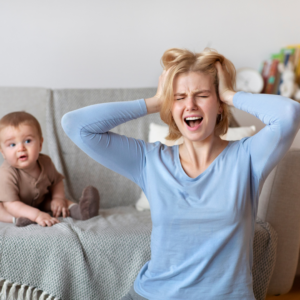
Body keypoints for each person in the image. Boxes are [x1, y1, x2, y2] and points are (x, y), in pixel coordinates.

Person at [61, 48, 300, 299]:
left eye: (202, 95)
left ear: (219, 105)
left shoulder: (248, 157)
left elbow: (289, 114)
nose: (190, 105)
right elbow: (75, 125)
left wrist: (230, 94)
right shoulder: (149, 161)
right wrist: (155, 101)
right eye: (179, 97)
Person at [0, 111, 100, 227]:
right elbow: (11, 204)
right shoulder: (6, 173)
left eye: (28, 141)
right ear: (3, 153)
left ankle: (83, 212)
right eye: (12, 145)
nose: (21, 148)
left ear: (40, 144)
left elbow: (56, 181)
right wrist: (37, 215)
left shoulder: (46, 162)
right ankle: (16, 219)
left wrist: (58, 198)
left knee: (61, 203)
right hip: (12, 206)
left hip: (41, 201)